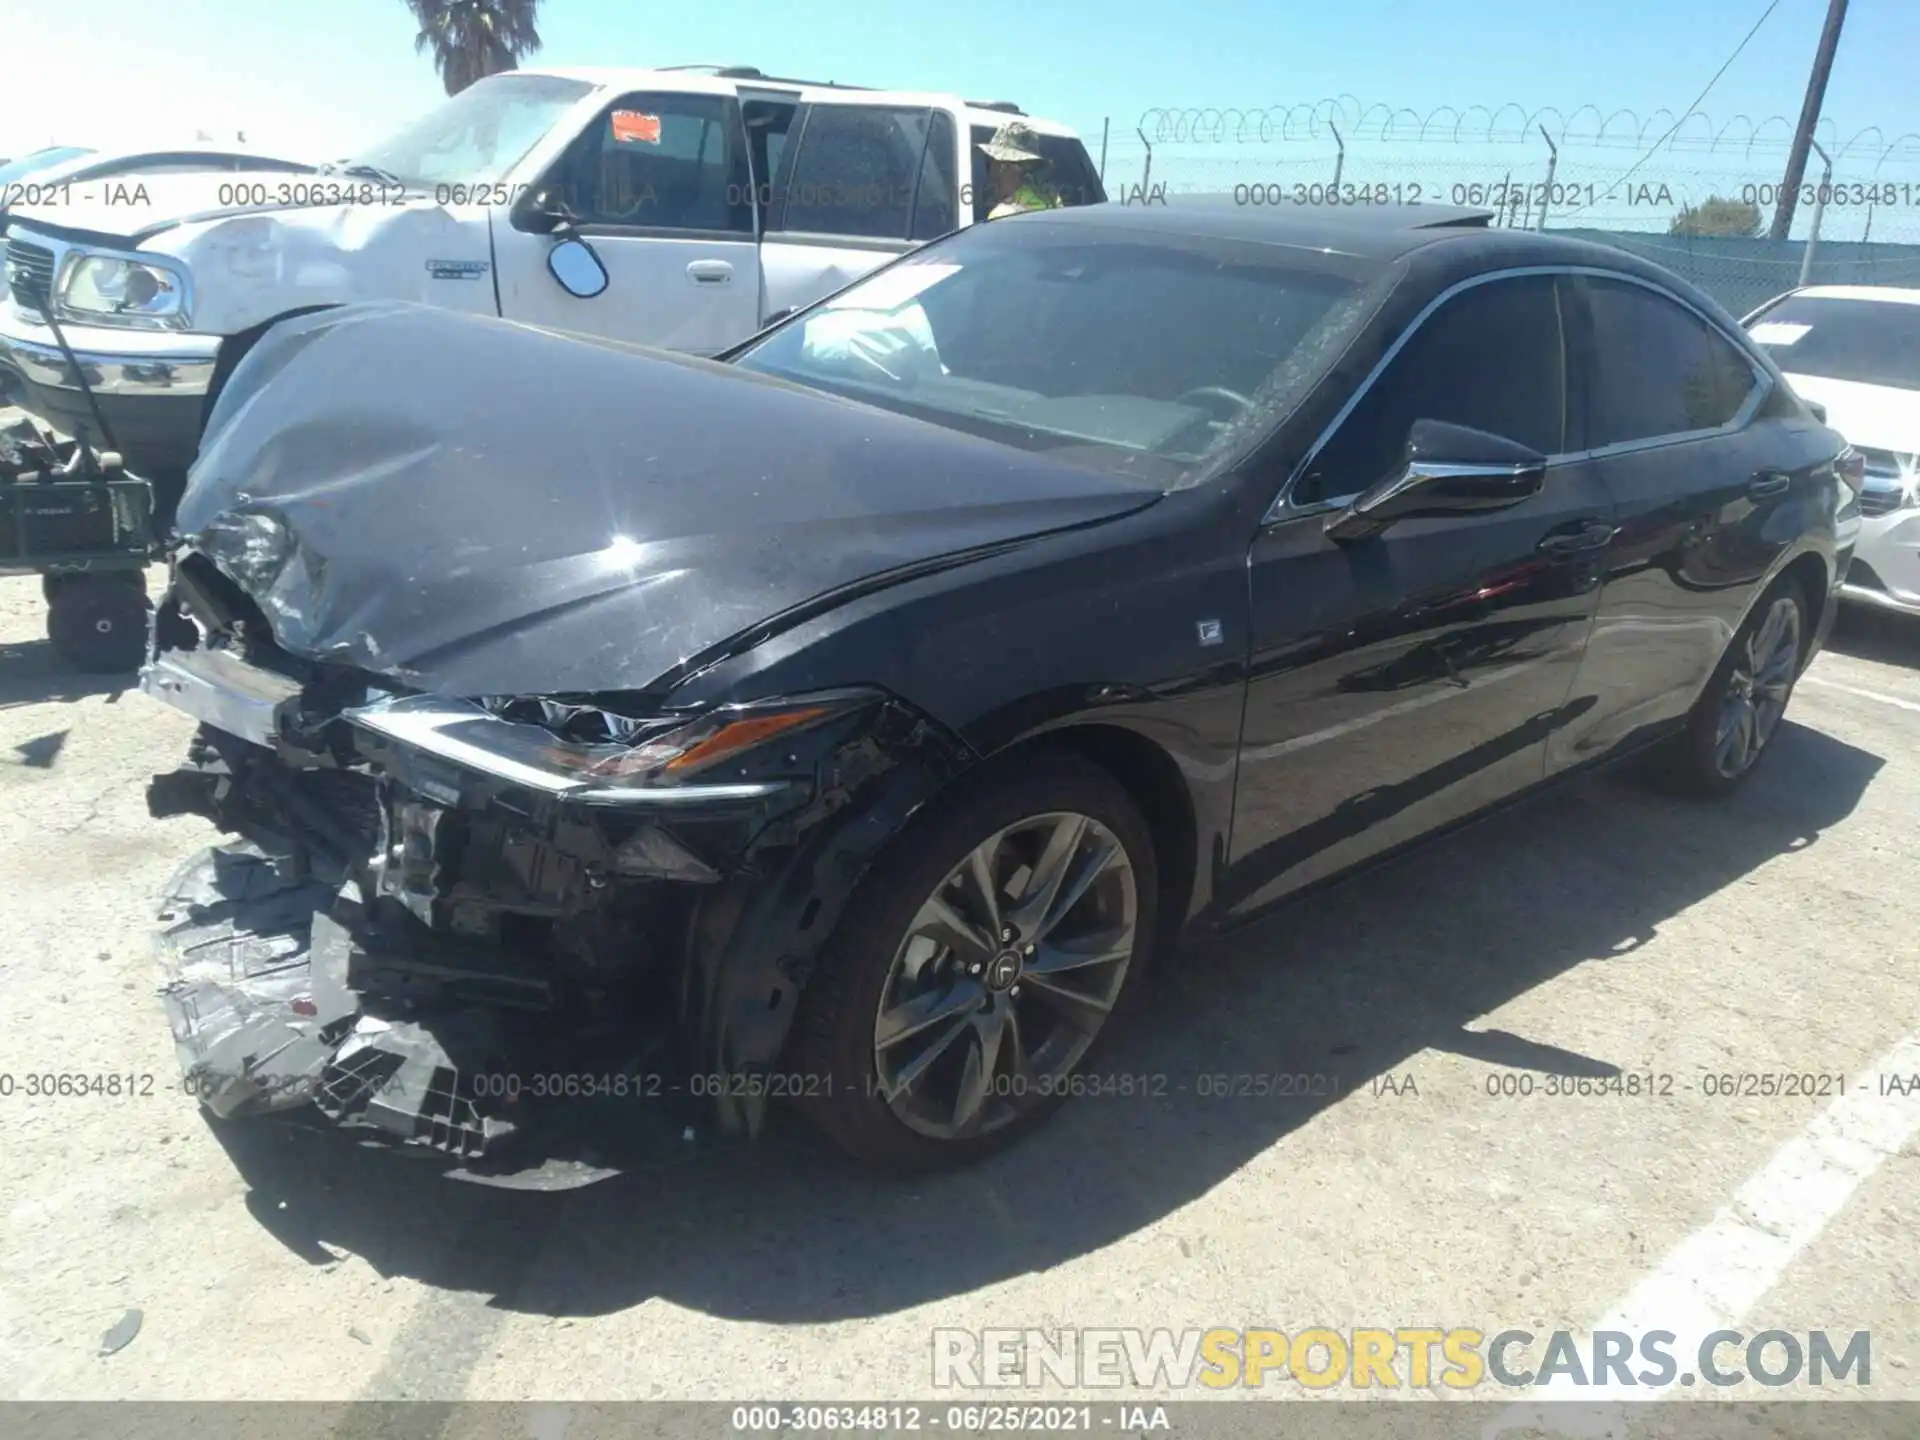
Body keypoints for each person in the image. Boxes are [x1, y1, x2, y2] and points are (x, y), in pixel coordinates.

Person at [979, 121, 1060, 219]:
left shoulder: (1003, 214)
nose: (990, 177)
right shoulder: (1054, 201)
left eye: (990, 164)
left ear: (1004, 167)